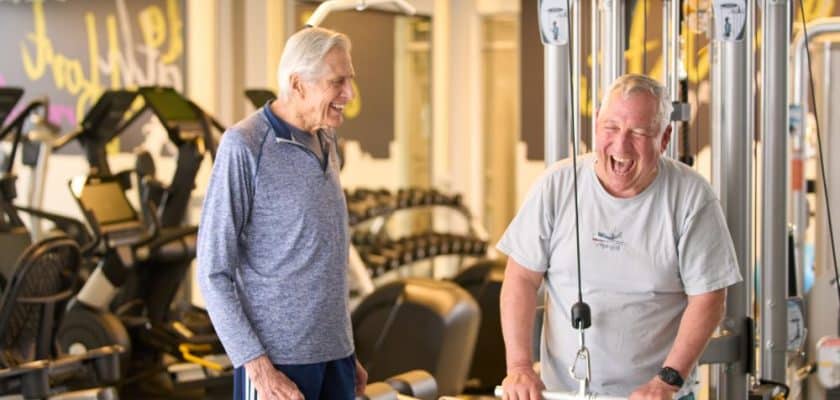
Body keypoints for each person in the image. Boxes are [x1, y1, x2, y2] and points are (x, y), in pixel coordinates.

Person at [497, 74, 742, 400]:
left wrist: (667, 380)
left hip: (656, 395)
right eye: (611, 127)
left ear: (665, 137)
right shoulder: (556, 185)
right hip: (564, 393)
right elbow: (520, 278)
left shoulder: (692, 197)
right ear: (596, 123)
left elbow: (709, 299)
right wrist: (519, 367)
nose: (621, 145)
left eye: (639, 132)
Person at [197, 27, 367, 400]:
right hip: (279, 364)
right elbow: (212, 271)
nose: (349, 94)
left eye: (349, 81)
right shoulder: (244, 145)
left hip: (333, 355)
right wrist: (257, 367)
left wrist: (344, 348)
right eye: (337, 82)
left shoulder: (325, 138)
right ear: (298, 84)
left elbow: (325, 256)